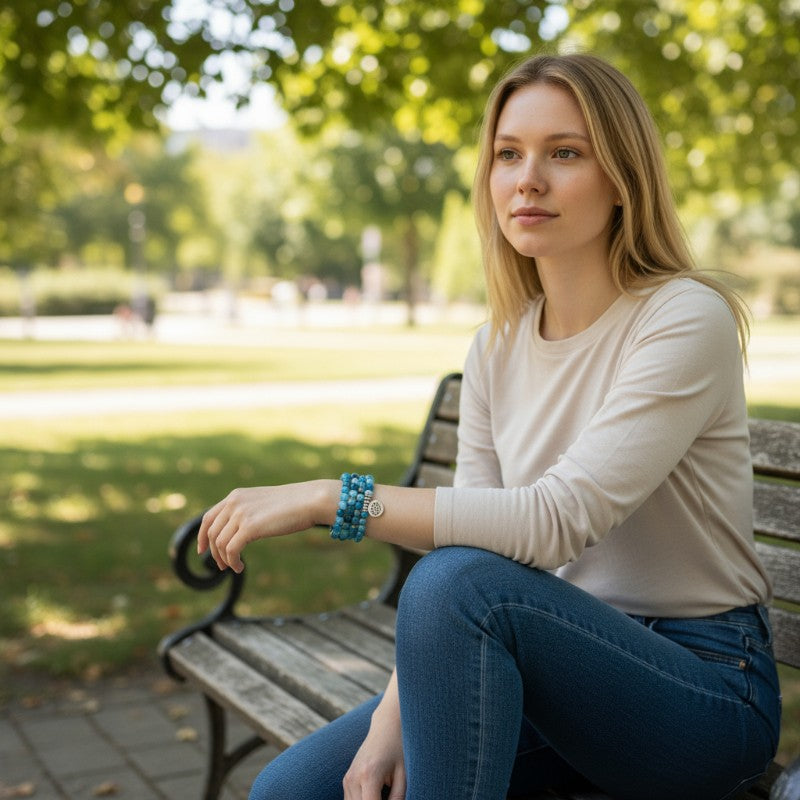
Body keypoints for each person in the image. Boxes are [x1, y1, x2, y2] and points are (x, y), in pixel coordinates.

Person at [198, 53, 781, 800]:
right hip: (543, 667)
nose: (527, 179)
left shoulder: (681, 317)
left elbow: (551, 524)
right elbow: (471, 550)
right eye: (508, 155)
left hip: (699, 691)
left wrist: (329, 500)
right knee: (291, 792)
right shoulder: (496, 346)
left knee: (457, 582)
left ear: (623, 180)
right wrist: (388, 728)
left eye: (564, 153)